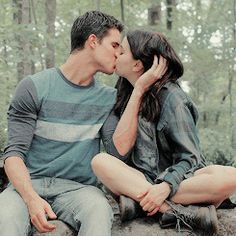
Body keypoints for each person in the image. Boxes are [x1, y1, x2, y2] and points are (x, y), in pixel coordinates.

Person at [92, 30, 236, 235]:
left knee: (231, 176)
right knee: (100, 161)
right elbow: (117, 153)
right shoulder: (125, 93)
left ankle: (139, 203)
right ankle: (169, 210)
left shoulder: (173, 99)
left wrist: (166, 187)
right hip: (142, 179)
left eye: (121, 52)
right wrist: (139, 90)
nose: (116, 55)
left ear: (137, 64)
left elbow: (191, 158)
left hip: (181, 182)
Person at [0, 11, 124, 236]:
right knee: (5, 216)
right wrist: (31, 199)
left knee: (99, 210)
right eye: (115, 45)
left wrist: (140, 89)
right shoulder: (33, 87)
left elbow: (119, 152)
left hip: (79, 191)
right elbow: (13, 155)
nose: (119, 53)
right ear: (93, 41)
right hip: (27, 187)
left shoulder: (109, 98)